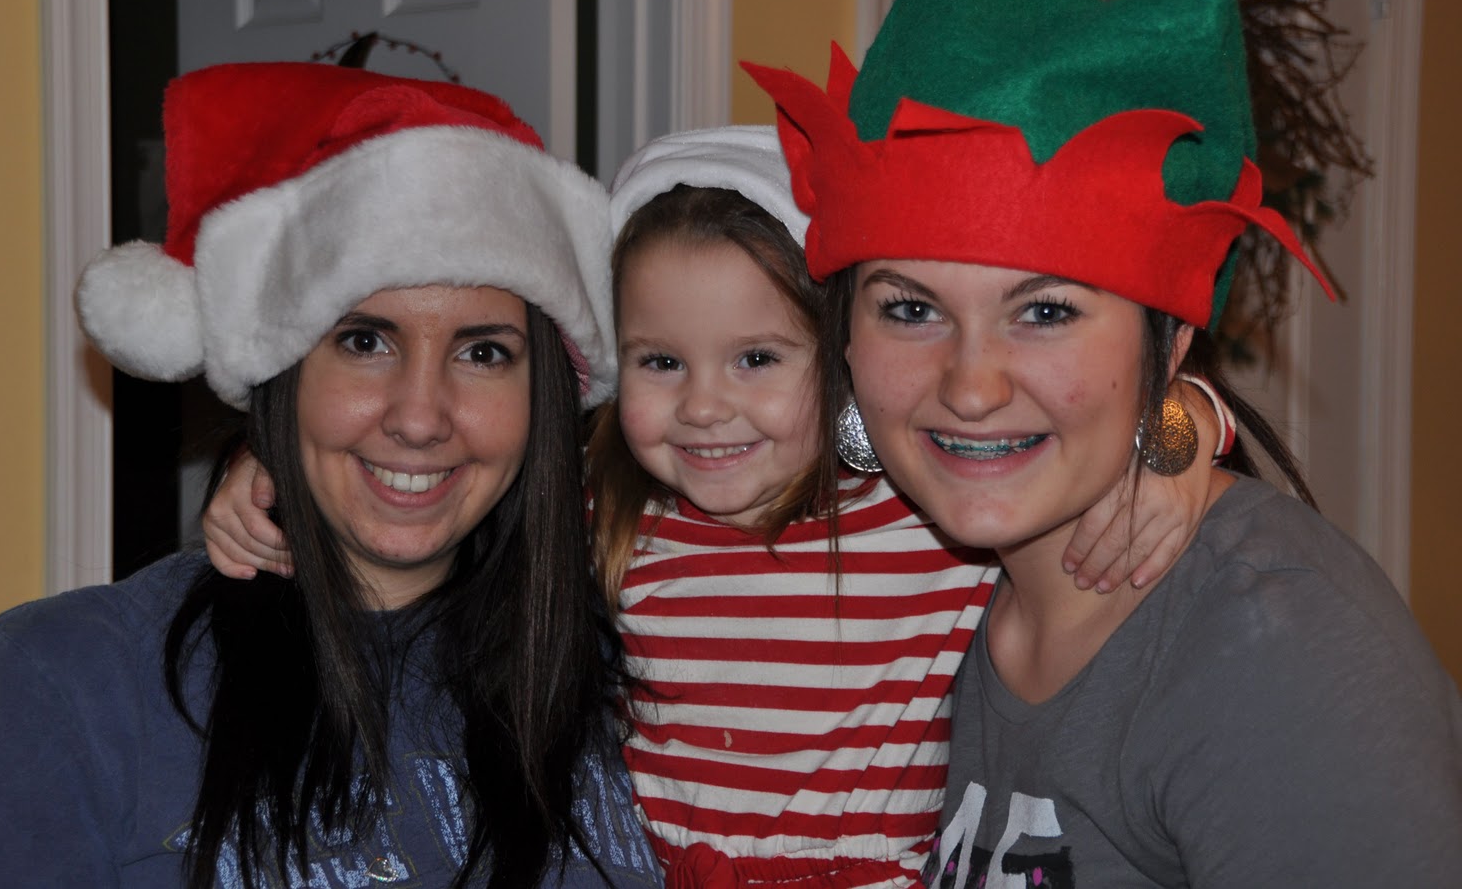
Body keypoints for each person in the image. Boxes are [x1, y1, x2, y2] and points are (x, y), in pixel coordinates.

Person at [207, 123, 1228, 889]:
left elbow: (1075, 434)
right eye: (661, 362)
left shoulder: (923, 507)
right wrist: (269, 464)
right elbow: (443, 485)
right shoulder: (612, 516)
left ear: (842, 361)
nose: (702, 407)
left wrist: (1176, 436)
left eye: (755, 359)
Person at [744, 0, 1462, 887]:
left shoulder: (1277, 646)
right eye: (911, 309)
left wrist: (1178, 425)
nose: (971, 386)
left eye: (1045, 311)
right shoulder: (904, 588)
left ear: (1172, 340)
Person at [0, 63, 664, 889]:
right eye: (364, 341)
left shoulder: (646, 654)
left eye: (484, 351)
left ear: (545, 397)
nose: (421, 416)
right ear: (282, 371)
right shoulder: (63, 686)